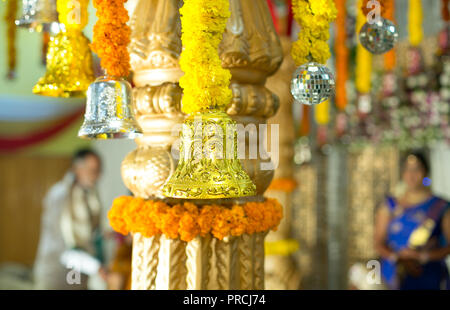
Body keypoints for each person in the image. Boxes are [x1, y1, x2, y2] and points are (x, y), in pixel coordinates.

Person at [375, 151, 450, 290]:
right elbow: (378, 242)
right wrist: (397, 257)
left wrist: (423, 256)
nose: (411, 175)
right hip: (394, 273)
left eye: (416, 169)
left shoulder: (440, 206)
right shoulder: (389, 206)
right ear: (402, 173)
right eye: (407, 169)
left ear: (426, 172)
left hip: (428, 274)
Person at [33, 149, 104, 290]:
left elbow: (90, 233)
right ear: (77, 168)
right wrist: (97, 268)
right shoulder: (60, 194)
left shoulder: (89, 195)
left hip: (78, 273)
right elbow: (62, 242)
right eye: (92, 170)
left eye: (98, 170)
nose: (96, 176)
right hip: (57, 272)